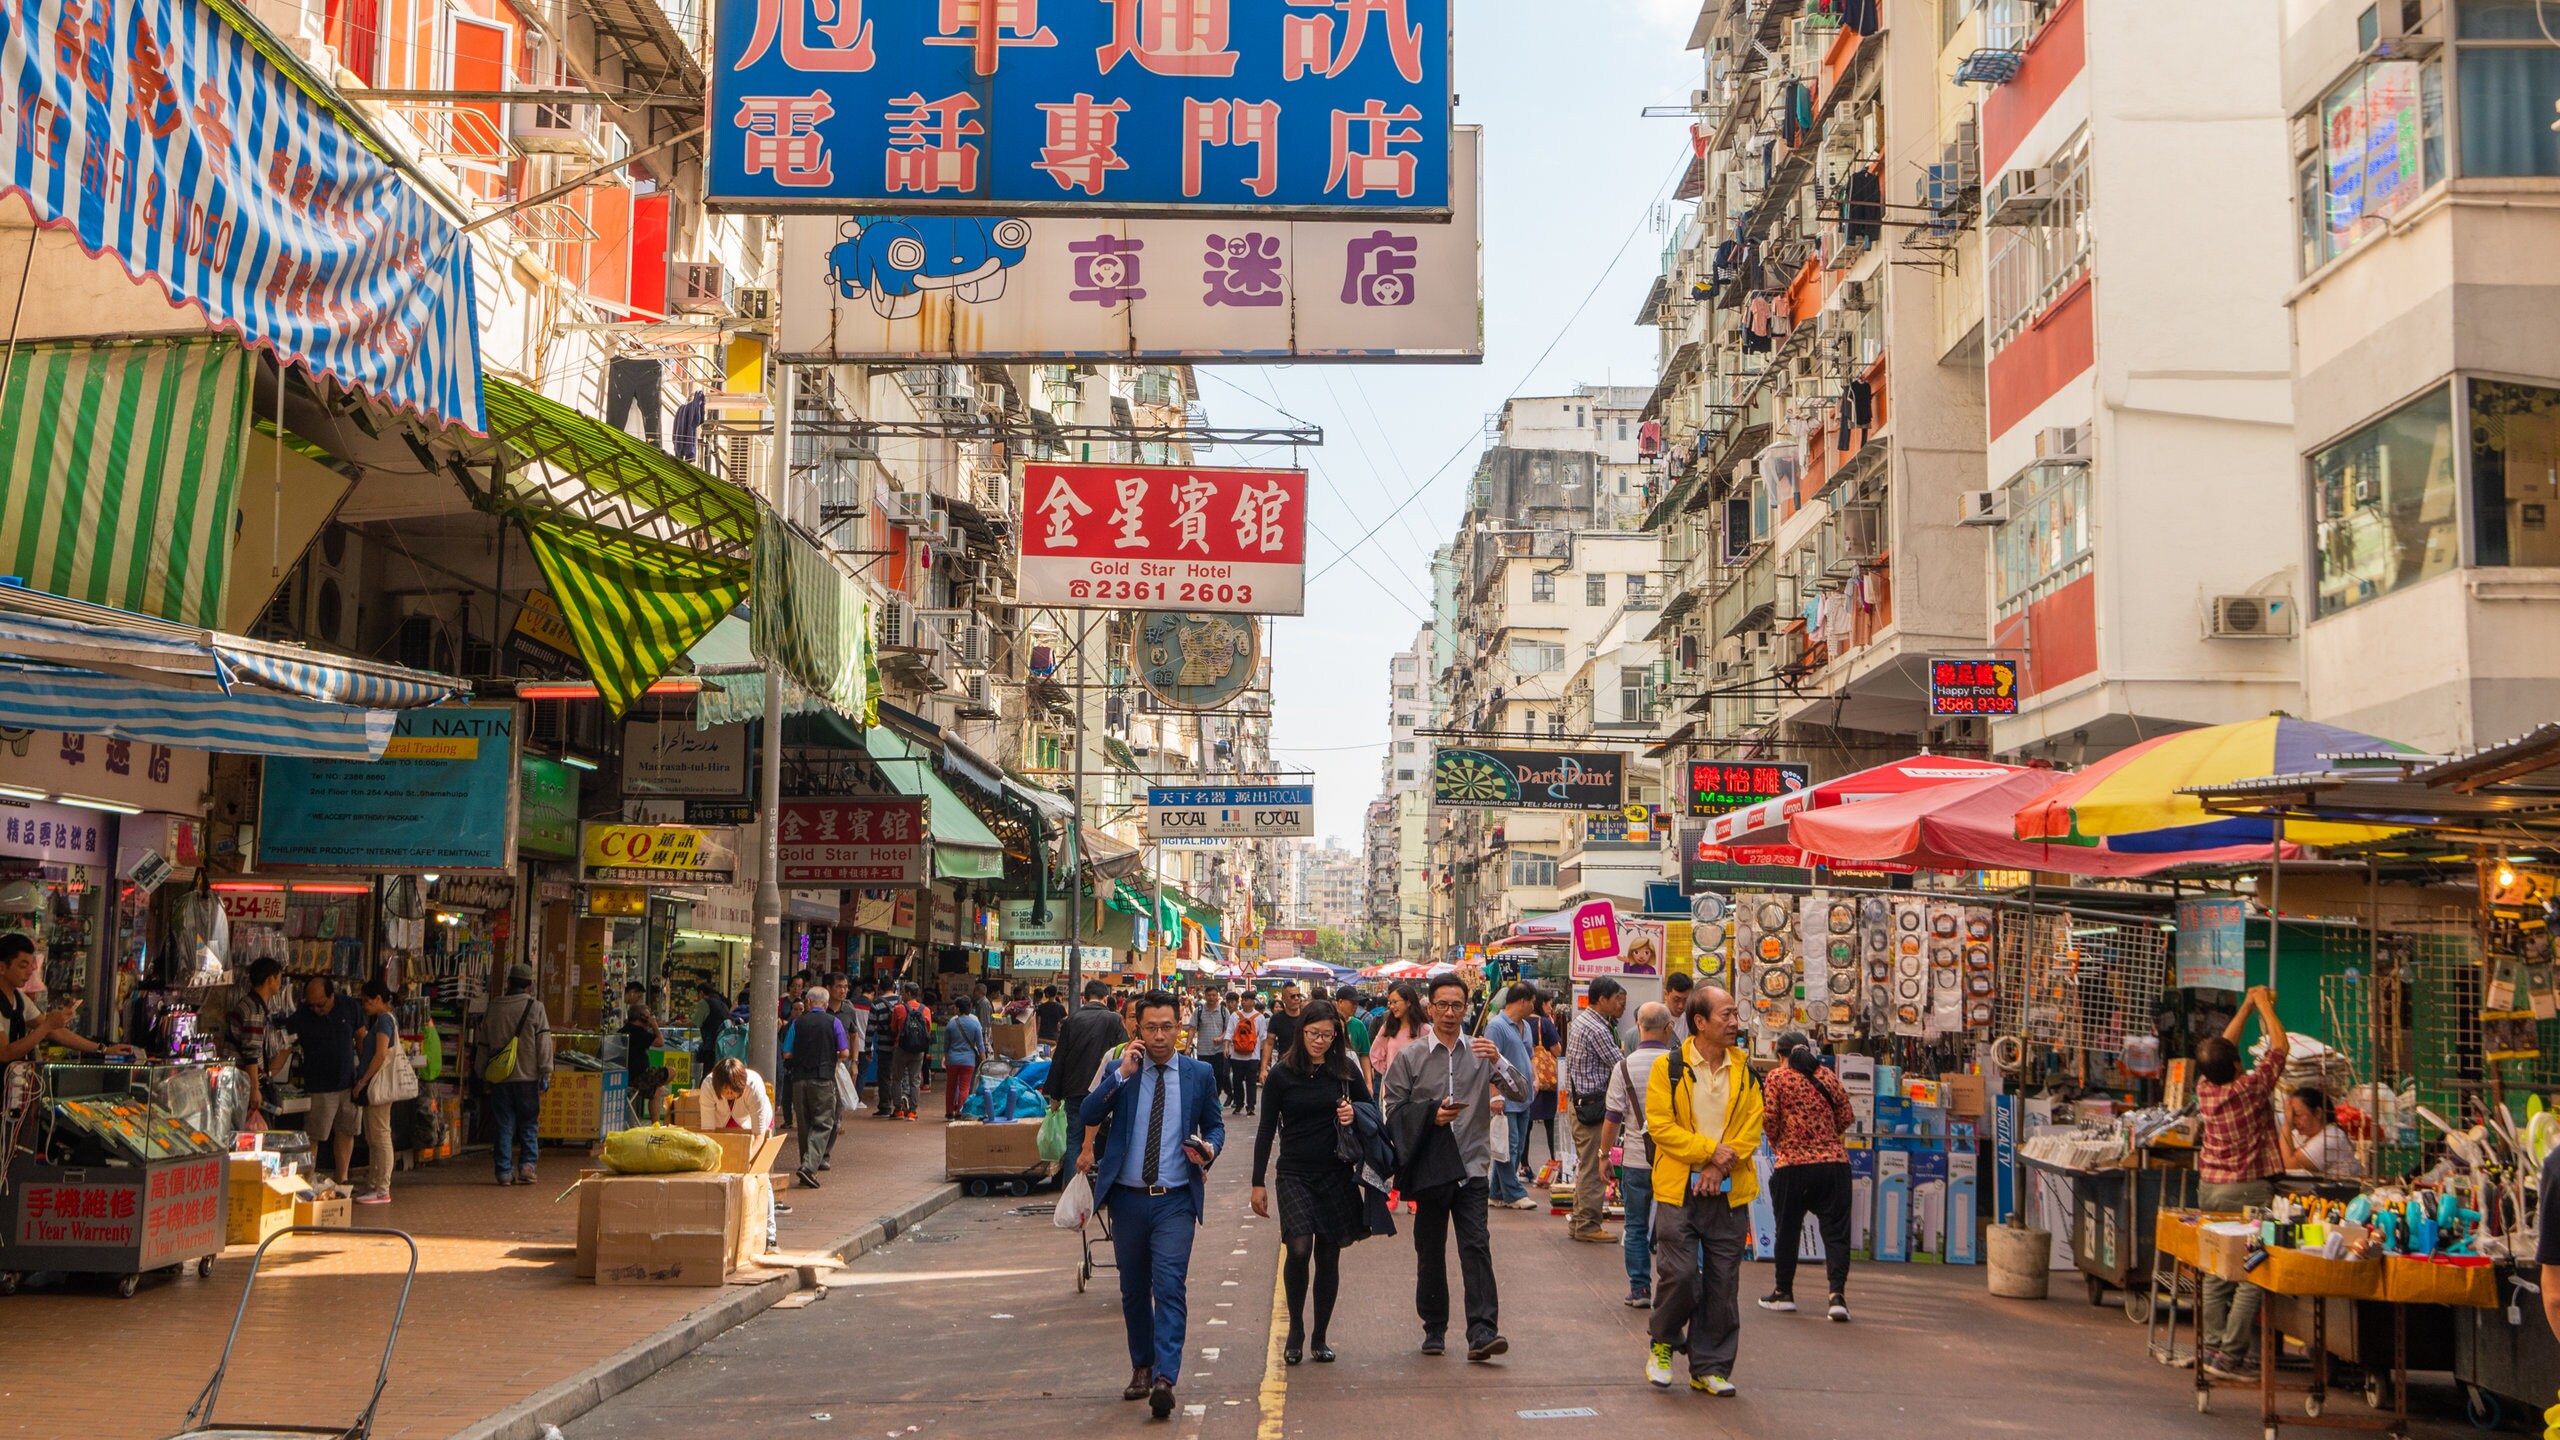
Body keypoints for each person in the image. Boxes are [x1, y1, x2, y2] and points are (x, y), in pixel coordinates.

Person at [1080, 990, 1225, 1421]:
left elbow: (1216, 1126)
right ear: (1135, 1029)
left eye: (1167, 1027)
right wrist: (1121, 1075)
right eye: (1151, 1028)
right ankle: (1141, 1367)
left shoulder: (1198, 1075)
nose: (1160, 1036)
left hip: (1175, 1200)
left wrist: (1210, 1148)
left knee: (1169, 1285)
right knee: (1133, 1289)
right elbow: (1087, 1111)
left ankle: (1165, 1378)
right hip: (1127, 1201)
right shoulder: (1119, 1070)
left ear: (1180, 1027)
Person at [1378, 972, 1528, 1363]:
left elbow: (1522, 1092)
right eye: (1441, 1005)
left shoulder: (1481, 1052)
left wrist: (1501, 1060)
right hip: (1431, 1168)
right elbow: (1392, 1110)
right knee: (1429, 1249)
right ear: (1429, 1008)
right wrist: (1431, 1116)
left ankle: (1482, 1331)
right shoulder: (1411, 1057)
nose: (1449, 1012)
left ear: (1466, 1008)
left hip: (1473, 1167)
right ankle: (1434, 1327)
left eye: (1456, 1005)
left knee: (1476, 1246)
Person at [1644, 983, 1762, 1397]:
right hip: (1679, 1188)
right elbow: (1661, 1128)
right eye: (1725, 1015)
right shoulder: (1669, 1068)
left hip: (1730, 1191)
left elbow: (1751, 1128)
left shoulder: (1745, 1070)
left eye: (1734, 1014)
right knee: (1679, 1275)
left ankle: (1709, 1366)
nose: (1734, 1022)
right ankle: (1662, 1342)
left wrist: (1719, 1165)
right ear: (1700, 1022)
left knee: (1722, 1283)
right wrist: (1711, 1152)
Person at [1251, 1005, 1374, 1365]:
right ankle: (1296, 1329)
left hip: (1336, 1172)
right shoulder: (1281, 1074)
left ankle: (1320, 1335)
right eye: (1313, 1033)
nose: (1319, 1041)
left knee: (1328, 1254)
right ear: (1301, 1032)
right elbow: (1265, 1129)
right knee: (1300, 1247)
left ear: (1336, 1036)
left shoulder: (1344, 1071)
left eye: (1327, 1035)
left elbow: (1371, 1113)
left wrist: (1354, 1113)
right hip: (1294, 1173)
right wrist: (1257, 1182)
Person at [2197, 985, 2289, 1381]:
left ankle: (2214, 1346)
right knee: (2254, 1269)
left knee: (2218, 1267)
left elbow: (2224, 1047)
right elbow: (2280, 1049)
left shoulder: (2205, 1088)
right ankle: (2232, 1354)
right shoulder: (2249, 1088)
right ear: (2237, 1065)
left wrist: (2248, 1005)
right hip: (2249, 1190)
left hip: (2210, 1189)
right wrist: (2265, 1007)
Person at [1759, 1030, 1856, 1322]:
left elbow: (1769, 1119)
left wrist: (1780, 1144)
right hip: (1834, 1164)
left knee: (1787, 1230)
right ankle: (1837, 1297)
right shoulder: (1827, 1075)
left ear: (1781, 1054)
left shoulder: (1777, 1078)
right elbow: (1846, 1115)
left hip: (1793, 1166)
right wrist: (1827, 1137)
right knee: (1836, 1233)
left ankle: (1783, 1292)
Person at [1605, 1002, 1679, 1308]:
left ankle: (1639, 1289)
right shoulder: (1678, 1064)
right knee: (1674, 1228)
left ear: (1637, 1027)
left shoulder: (1624, 1066)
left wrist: (1603, 1155)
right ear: (1668, 1028)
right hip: (1673, 1160)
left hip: (1636, 1159)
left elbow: (1612, 1118)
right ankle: (1674, 1288)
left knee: (1634, 1225)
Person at [1564, 976, 1630, 1243]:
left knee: (1588, 1164)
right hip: (1591, 1107)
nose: (1619, 1005)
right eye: (1617, 1000)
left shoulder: (1585, 1021)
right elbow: (1620, 1065)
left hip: (1581, 1103)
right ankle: (1588, 1225)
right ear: (1602, 999)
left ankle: (1580, 1221)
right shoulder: (1598, 1028)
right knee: (1594, 1165)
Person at [478, 962, 554, 1186]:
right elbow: (544, 1044)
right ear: (529, 985)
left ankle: (503, 1172)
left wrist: (482, 1073)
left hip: (500, 1078)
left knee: (504, 1124)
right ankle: (527, 1166)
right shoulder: (535, 1007)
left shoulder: (494, 1007)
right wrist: (545, 1072)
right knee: (529, 1123)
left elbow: (483, 1044)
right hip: (528, 1078)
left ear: (509, 982)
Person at [289, 976, 364, 1187]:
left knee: (347, 1131)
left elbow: (361, 1037)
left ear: (331, 996)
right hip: (319, 1085)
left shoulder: (349, 1007)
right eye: (311, 1004)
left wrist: (364, 1074)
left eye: (320, 1004)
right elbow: (287, 1044)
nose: (316, 1009)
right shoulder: (303, 1015)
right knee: (314, 1134)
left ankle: (342, 1178)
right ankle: (308, 1179)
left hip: (348, 1082)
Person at [784, 986, 850, 1187]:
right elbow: (845, 1052)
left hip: (799, 1079)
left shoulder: (797, 1023)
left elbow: (786, 1054)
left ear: (809, 1003)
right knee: (823, 1122)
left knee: (804, 1123)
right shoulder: (834, 1022)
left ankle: (807, 1163)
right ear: (827, 1003)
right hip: (823, 1078)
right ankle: (808, 1167)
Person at [1482, 983, 1540, 1210]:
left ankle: (1496, 1192)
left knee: (1515, 1144)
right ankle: (1514, 1193)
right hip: (1505, 1097)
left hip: (1524, 1096)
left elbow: (1529, 1055)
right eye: (1533, 1002)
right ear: (1523, 1001)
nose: (1534, 1006)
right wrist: (1495, 1095)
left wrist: (1535, 1078)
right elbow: (1489, 1061)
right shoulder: (1496, 1026)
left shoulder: (1525, 1025)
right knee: (1509, 1144)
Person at [348, 982, 402, 1205]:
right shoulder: (383, 1021)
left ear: (378, 999)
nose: (364, 1006)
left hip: (377, 1085)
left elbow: (380, 1055)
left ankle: (382, 1188)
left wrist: (363, 1081)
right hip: (376, 1085)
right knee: (374, 1136)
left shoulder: (384, 1022)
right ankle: (375, 1183)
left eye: (366, 1001)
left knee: (380, 1135)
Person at [221, 957, 289, 1123]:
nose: (280, 983)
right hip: (242, 1080)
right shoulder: (254, 1010)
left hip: (239, 1078)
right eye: (279, 978)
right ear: (270, 980)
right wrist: (254, 1088)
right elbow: (251, 1054)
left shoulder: (250, 1004)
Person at [2281, 1087, 2362, 1178]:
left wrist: (2286, 1124)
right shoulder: (2302, 1133)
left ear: (2318, 1113)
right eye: (2291, 1115)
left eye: (2298, 1115)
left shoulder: (2331, 1136)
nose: (2293, 1121)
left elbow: (2288, 1165)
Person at [1527, 990, 1565, 1180]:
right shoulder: (1545, 1023)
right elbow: (1558, 1051)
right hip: (1546, 1081)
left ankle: (1523, 1165)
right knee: (1551, 1123)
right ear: (1542, 1004)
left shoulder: (1523, 1022)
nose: (1551, 1007)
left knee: (1525, 1124)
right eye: (1549, 1004)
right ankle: (1555, 1162)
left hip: (1528, 1078)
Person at [881, 984, 932, 1121]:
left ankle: (898, 1110)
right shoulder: (925, 1010)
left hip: (901, 1048)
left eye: (903, 992)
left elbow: (893, 1028)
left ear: (908, 993)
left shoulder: (899, 1009)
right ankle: (913, 1111)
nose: (901, 995)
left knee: (896, 1079)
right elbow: (928, 1031)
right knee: (915, 1080)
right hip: (918, 1050)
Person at [621, 982, 665, 1125]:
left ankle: (654, 1086)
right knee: (670, 1072)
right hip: (637, 1077)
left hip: (625, 1075)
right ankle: (655, 1124)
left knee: (656, 1089)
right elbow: (660, 1042)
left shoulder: (623, 1030)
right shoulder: (640, 1033)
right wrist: (654, 1025)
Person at [703, 1055, 774, 1134]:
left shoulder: (754, 1085)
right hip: (722, 1121)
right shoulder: (708, 1085)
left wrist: (751, 1146)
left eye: (733, 1090)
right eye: (725, 1089)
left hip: (751, 1119)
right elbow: (708, 1129)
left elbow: (759, 1134)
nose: (729, 1094)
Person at [942, 1002, 986, 1119]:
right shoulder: (975, 1024)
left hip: (952, 1060)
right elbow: (980, 1046)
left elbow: (946, 1045)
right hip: (968, 1061)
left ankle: (949, 1112)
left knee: (951, 1086)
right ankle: (960, 1111)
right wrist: (984, 1061)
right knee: (964, 1087)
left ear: (958, 1009)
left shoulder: (951, 1024)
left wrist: (946, 1058)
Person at [1226, 994, 1265, 1115]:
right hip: (1236, 1054)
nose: (1243, 1002)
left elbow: (1263, 1037)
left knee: (1251, 1081)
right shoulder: (1235, 1016)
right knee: (1237, 1080)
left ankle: (1250, 1105)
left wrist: (1263, 1055)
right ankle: (1239, 1103)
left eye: (1246, 1000)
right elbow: (1229, 1032)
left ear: (1253, 1001)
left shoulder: (1260, 1017)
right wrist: (1226, 1047)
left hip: (1252, 1056)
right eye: (1242, 1000)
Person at [1262, 986, 1308, 1087]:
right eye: (1292, 996)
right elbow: (1269, 1043)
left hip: (1305, 1065)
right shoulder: (1276, 1019)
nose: (1296, 999)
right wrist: (1263, 1069)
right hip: (1284, 1065)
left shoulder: (1307, 1017)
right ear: (1283, 999)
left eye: (1298, 995)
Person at [1195, 990, 1234, 1102]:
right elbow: (1193, 1028)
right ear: (1205, 996)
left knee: (1219, 1074)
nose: (1211, 997)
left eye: (1213, 995)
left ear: (1217, 996)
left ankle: (1215, 1098)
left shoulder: (1223, 1011)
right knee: (1204, 1076)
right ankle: (1208, 1099)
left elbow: (1228, 1029)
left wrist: (1221, 1038)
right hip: (1203, 1050)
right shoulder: (1199, 1011)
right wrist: (1188, 1046)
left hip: (1219, 1050)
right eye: (1209, 995)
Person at [1332, 991, 1373, 1079]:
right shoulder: (1328, 1022)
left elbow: (1364, 1055)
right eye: (1352, 1003)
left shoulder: (1359, 1025)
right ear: (1340, 1002)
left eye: (1357, 1003)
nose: (1355, 1006)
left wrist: (1368, 1082)